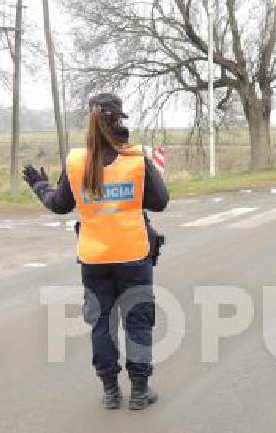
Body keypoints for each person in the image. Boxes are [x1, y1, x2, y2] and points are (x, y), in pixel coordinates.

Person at [22, 93, 169, 411]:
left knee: (101, 323)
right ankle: (140, 391)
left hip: (94, 259)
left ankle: (110, 391)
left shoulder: (76, 162)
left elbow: (59, 205)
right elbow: (160, 201)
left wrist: (40, 187)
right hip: (133, 255)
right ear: (119, 121)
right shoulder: (135, 159)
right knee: (138, 321)